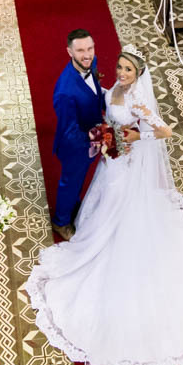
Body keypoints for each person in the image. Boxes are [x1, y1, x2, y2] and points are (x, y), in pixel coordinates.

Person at [27, 45, 183, 365]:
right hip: (111, 161)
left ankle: (116, 243)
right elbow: (102, 101)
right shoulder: (114, 88)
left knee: (118, 206)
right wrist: (106, 132)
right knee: (101, 200)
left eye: (129, 70)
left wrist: (133, 135)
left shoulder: (136, 100)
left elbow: (164, 131)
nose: (122, 72)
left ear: (139, 74)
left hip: (127, 166)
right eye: (120, 66)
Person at [49, 29, 106, 241]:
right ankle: (61, 221)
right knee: (70, 183)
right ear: (69, 52)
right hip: (75, 147)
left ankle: (74, 203)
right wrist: (99, 136)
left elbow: (95, 90)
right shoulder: (64, 92)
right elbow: (69, 131)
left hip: (90, 136)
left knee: (79, 182)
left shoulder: (92, 62)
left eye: (90, 48)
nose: (87, 54)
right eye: (80, 50)